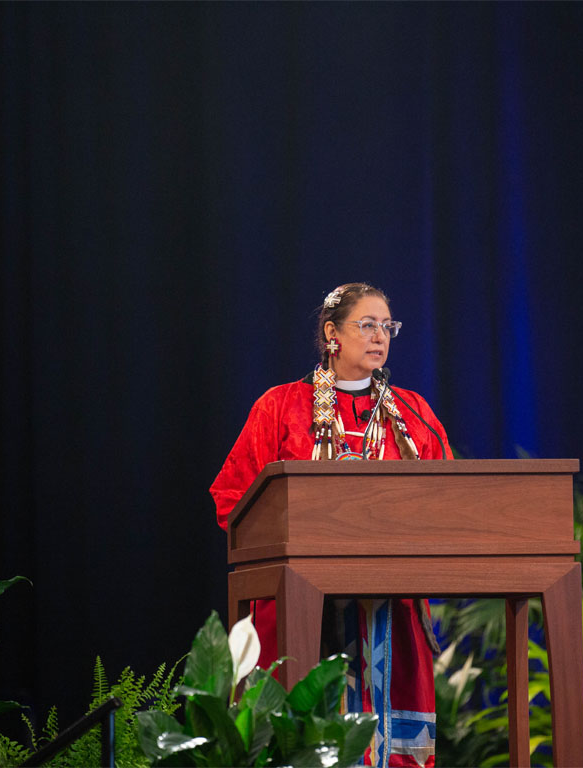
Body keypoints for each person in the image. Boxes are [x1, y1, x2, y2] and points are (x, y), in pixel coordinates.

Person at [210, 282, 452, 768]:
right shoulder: (280, 409)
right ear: (331, 333)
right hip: (300, 607)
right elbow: (232, 500)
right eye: (367, 324)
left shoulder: (415, 415)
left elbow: (449, 500)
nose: (380, 336)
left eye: (388, 326)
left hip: (392, 613)